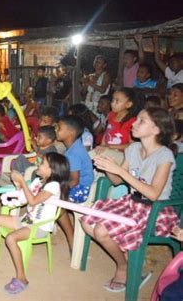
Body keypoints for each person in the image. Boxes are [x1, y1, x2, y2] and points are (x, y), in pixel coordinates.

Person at [81, 107, 179, 292]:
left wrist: (120, 170)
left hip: (155, 210)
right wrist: (107, 166)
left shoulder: (164, 155)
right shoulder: (134, 148)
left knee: (101, 229)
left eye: (141, 121)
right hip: (132, 203)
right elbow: (117, 181)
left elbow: (153, 194)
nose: (133, 123)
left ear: (156, 129)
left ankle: (123, 267)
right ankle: (131, 265)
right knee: (87, 222)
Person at [0, 152, 70, 295]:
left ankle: (22, 278)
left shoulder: (54, 186)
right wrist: (18, 186)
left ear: (52, 170)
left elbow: (33, 202)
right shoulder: (39, 181)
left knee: (11, 238)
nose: (39, 165)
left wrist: (23, 182)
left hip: (38, 226)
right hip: (27, 220)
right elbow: (25, 199)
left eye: (42, 163)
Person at [55, 115, 94, 251]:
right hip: (79, 186)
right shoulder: (74, 147)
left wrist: (58, 189)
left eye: (59, 128)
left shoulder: (73, 154)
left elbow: (74, 181)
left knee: (56, 204)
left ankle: (71, 237)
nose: (56, 130)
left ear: (70, 133)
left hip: (81, 189)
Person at [99, 88, 141, 153]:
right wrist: (102, 146)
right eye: (112, 100)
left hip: (123, 155)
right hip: (109, 151)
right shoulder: (111, 115)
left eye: (117, 101)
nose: (113, 104)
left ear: (128, 104)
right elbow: (107, 133)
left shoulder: (132, 121)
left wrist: (110, 146)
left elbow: (133, 145)